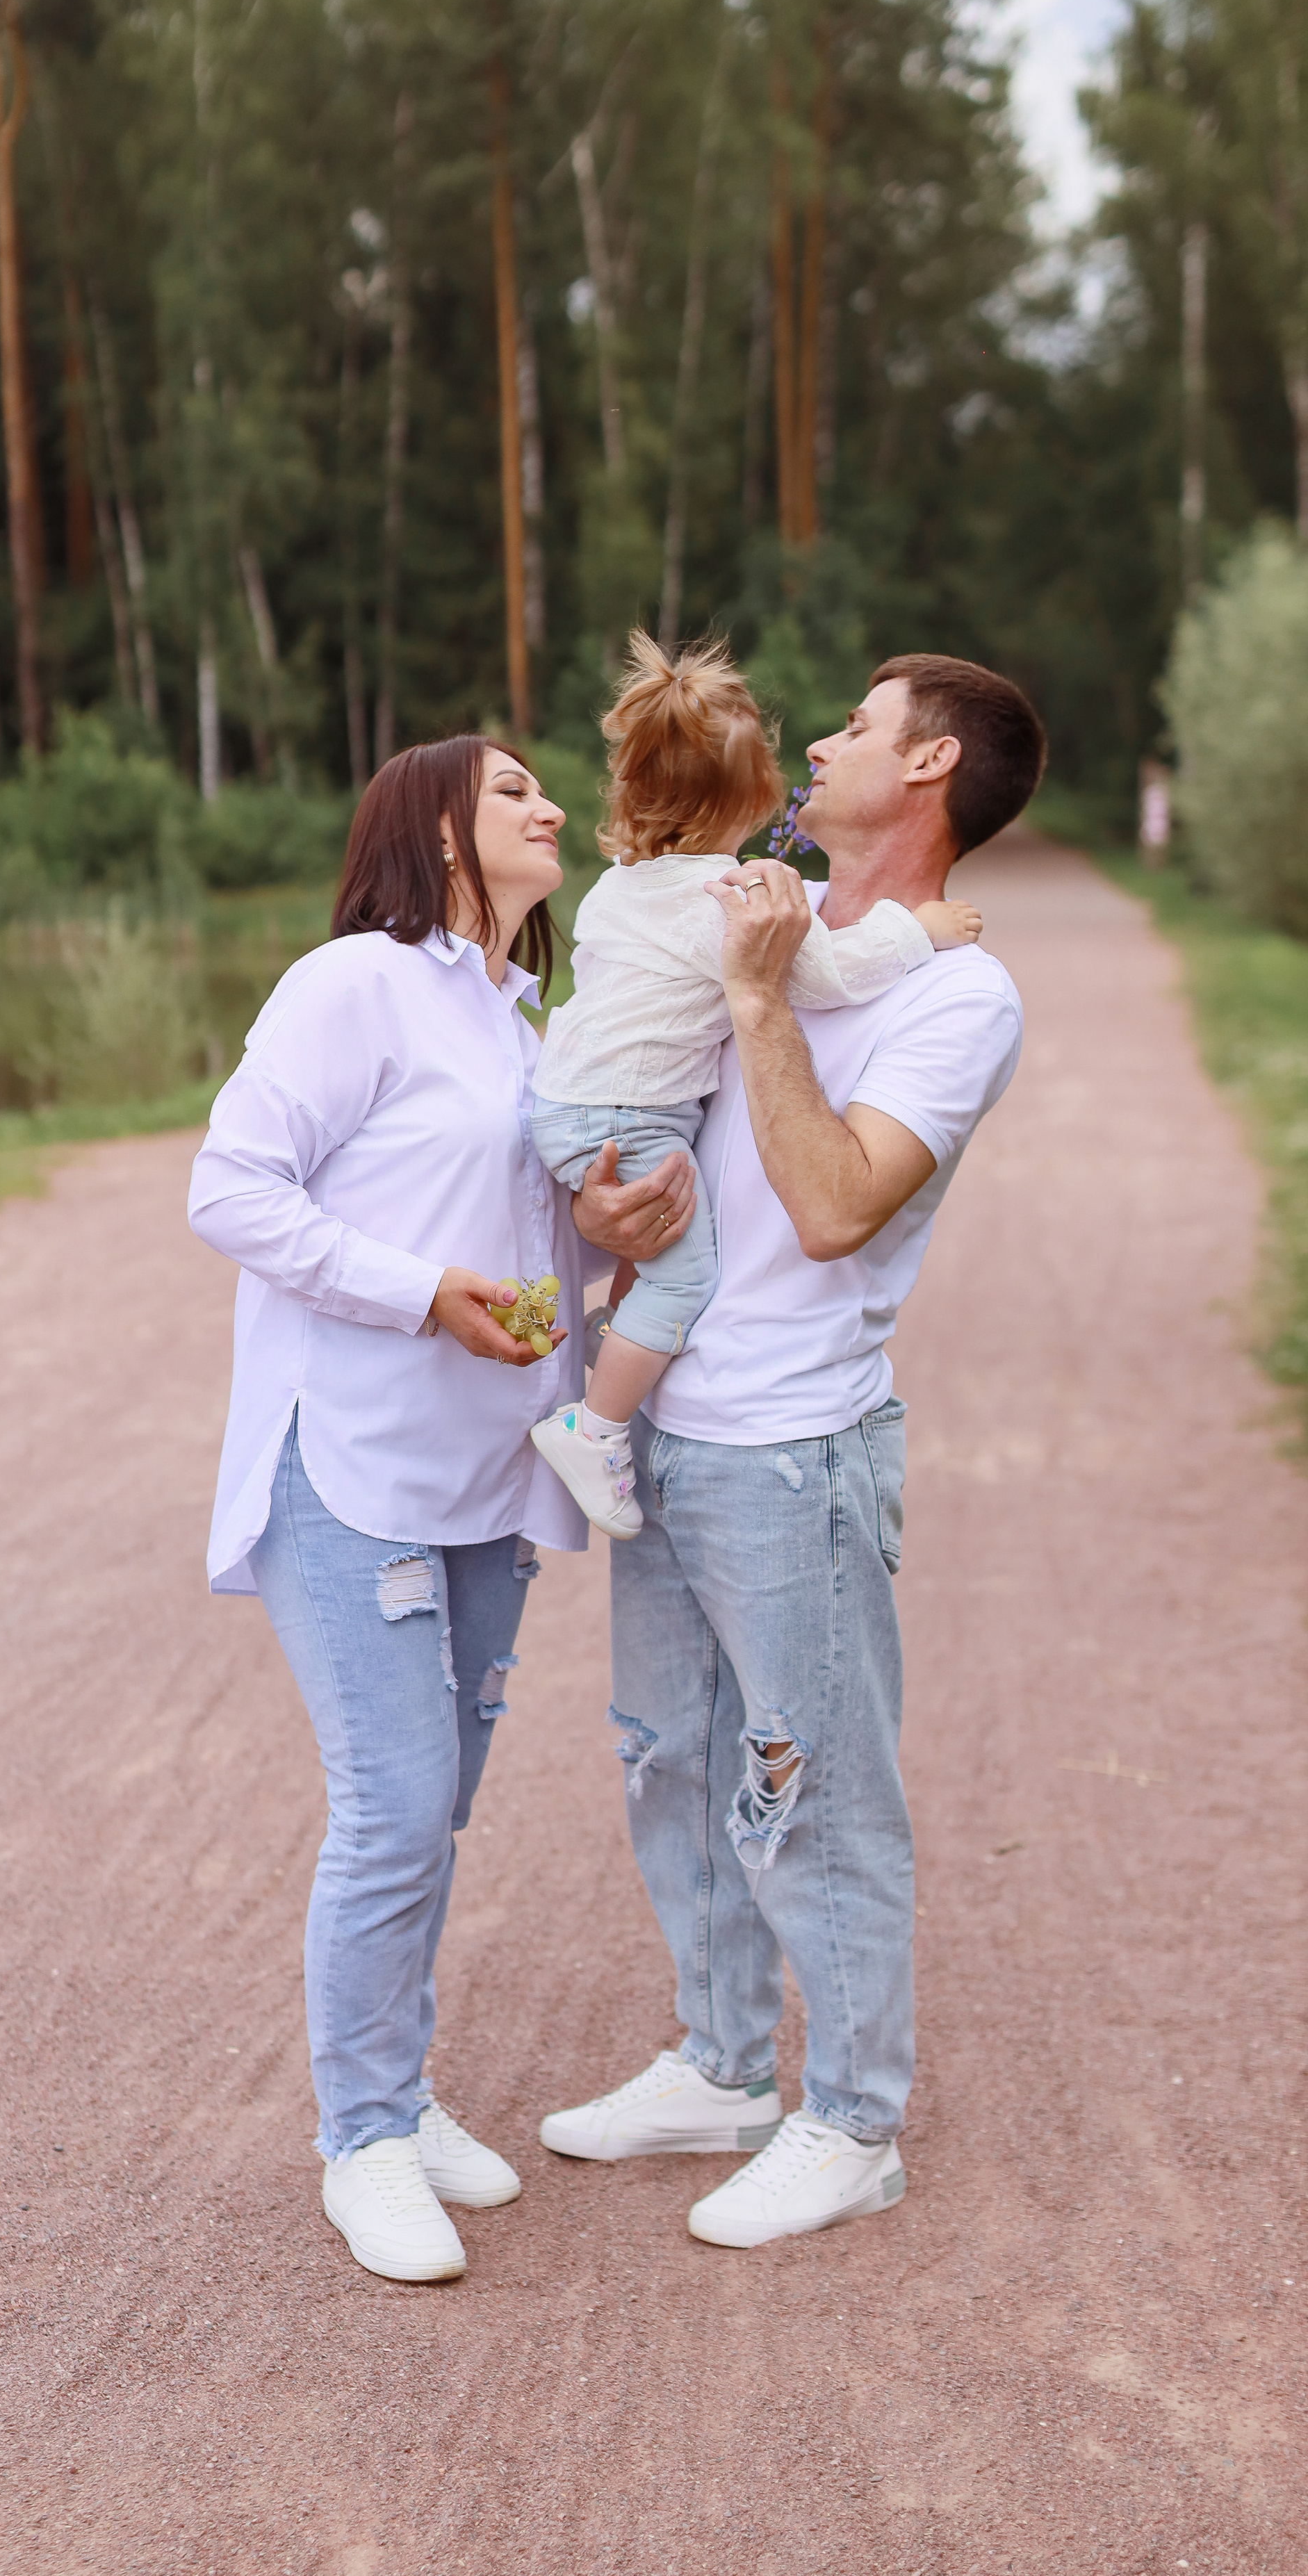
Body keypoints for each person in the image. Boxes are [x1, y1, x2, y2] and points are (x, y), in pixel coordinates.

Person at [539, 653, 1045, 2249]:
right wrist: (602, 1205)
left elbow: (830, 1208)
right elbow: (635, 1116)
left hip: (791, 1446)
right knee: (669, 1762)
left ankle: (852, 2122)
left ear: (928, 767)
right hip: (668, 1426)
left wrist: (761, 999)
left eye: (855, 727)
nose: (817, 743)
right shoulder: (753, 910)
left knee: (808, 1791)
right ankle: (719, 2067)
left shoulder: (951, 994)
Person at [187, 735, 695, 2286]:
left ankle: (400, 2098)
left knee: (437, 1805)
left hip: (486, 1471)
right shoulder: (353, 984)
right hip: (348, 1459)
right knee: (395, 1807)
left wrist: (607, 1231)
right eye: (515, 791)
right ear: (440, 832)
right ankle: (361, 2142)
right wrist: (421, 1296)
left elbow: (519, 1240)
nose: (554, 807)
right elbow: (230, 1188)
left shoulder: (526, 1017)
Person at [528, 632, 981, 1541]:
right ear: (749, 800)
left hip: (569, 1101)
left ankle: (609, 1366)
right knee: (681, 1280)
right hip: (631, 1113)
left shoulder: (619, 889)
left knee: (656, 1262)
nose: (816, 752)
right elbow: (829, 976)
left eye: (855, 729)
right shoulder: (732, 902)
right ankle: (595, 1425)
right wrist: (918, 929)